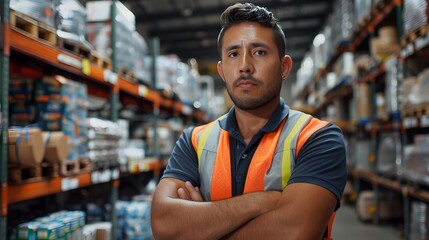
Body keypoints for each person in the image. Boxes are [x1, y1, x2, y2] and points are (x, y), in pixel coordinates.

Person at [151, 3, 347, 240]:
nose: (245, 66)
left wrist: (202, 227)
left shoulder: (318, 137)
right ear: (222, 71)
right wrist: (260, 202)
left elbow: (293, 233)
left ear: (284, 67)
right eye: (234, 54)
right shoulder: (194, 141)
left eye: (259, 52)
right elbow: (164, 225)